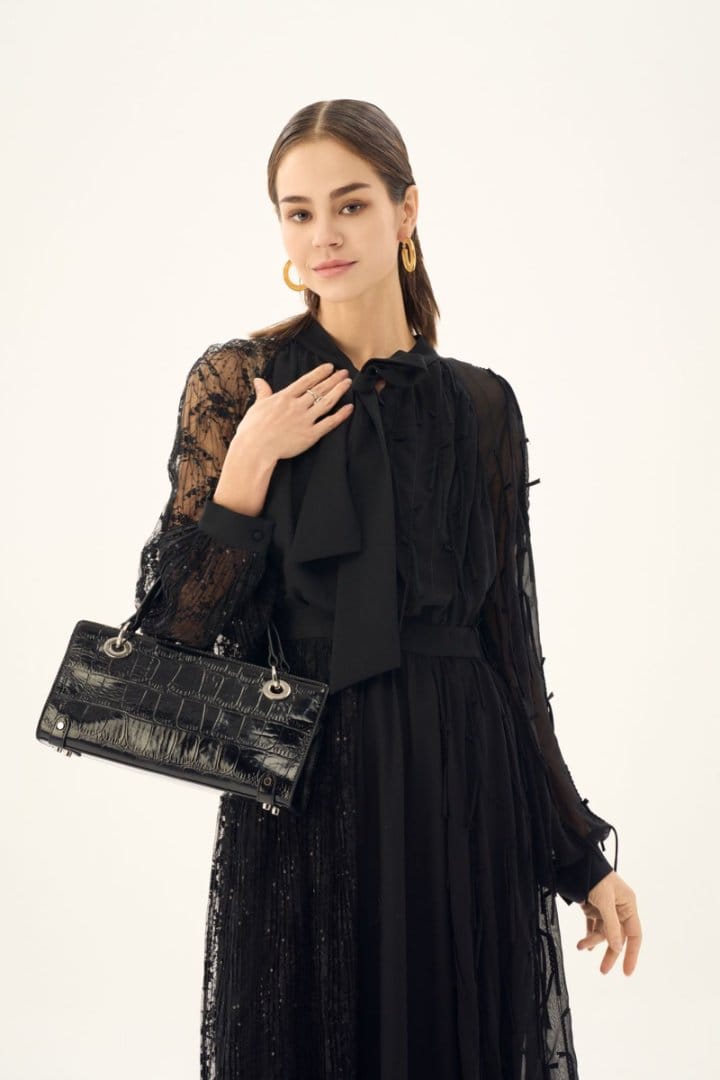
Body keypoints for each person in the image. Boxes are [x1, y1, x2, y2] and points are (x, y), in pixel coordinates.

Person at [133, 99, 642, 1080]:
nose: (323, 234)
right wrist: (250, 464)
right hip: (302, 790)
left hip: (462, 788)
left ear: (406, 212)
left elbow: (512, 650)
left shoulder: (482, 407)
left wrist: (582, 857)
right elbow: (175, 633)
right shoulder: (239, 383)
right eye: (298, 212)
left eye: (351, 205)